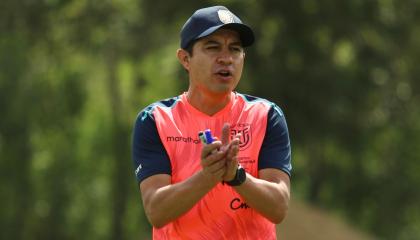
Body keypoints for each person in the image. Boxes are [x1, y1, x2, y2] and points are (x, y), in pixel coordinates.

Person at [132, 5, 292, 240]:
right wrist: (208, 176)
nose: (226, 59)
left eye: (235, 49)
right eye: (213, 47)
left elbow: (279, 207)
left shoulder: (266, 116)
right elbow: (156, 210)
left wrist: (236, 176)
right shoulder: (156, 120)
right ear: (185, 59)